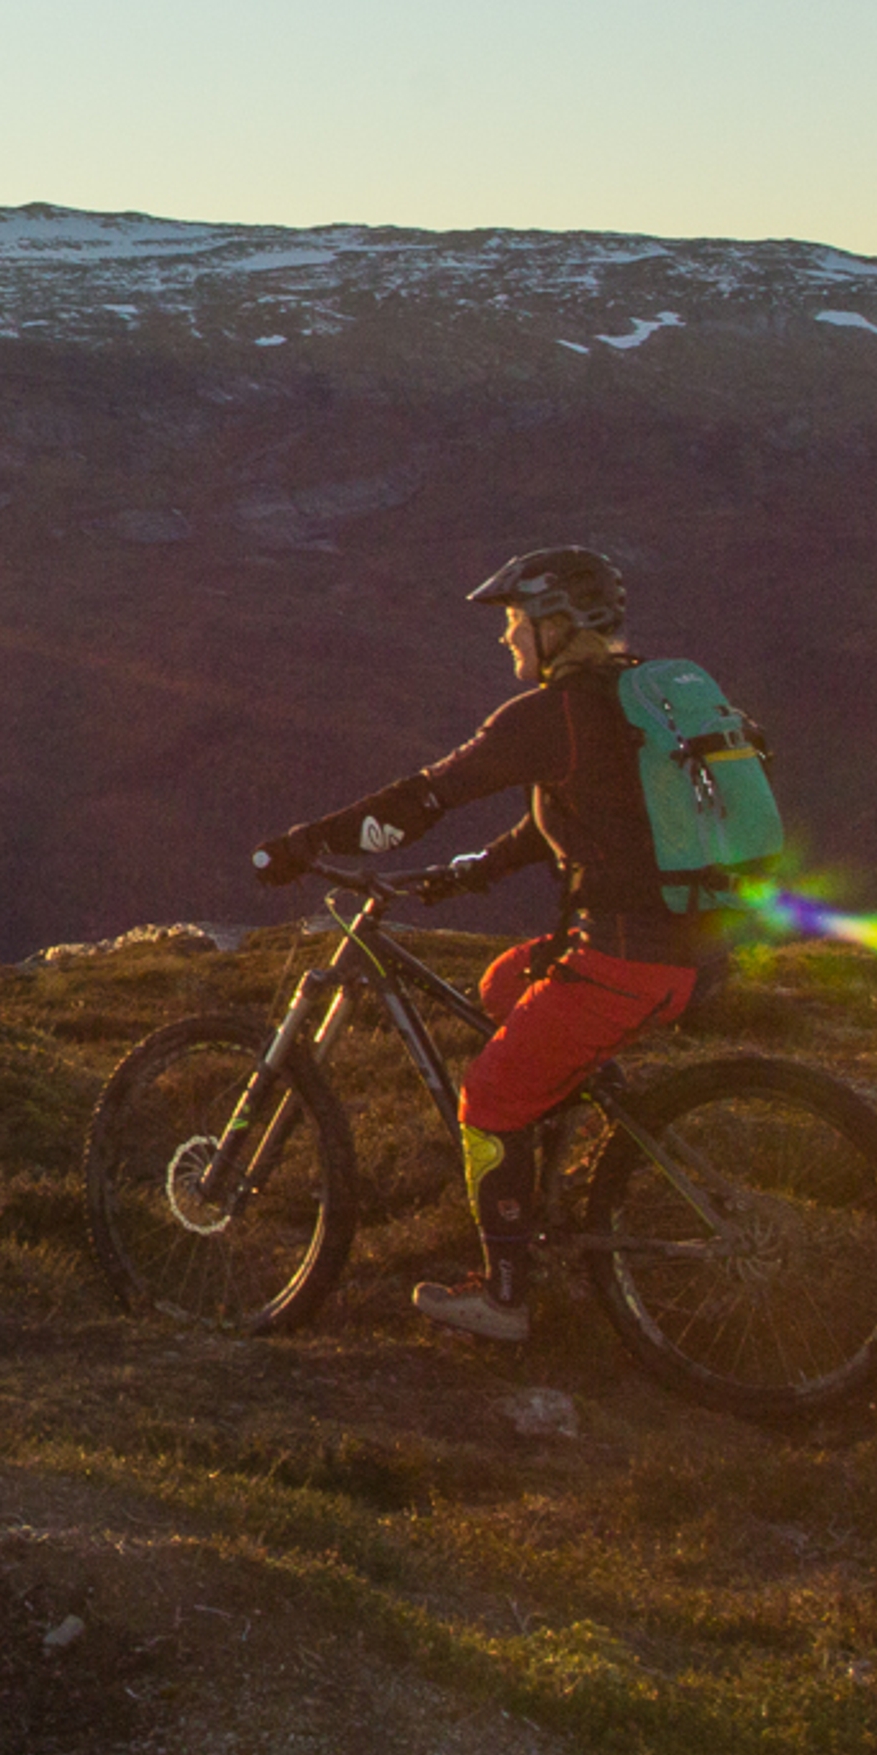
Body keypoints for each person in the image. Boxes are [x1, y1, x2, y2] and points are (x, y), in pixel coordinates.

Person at [247, 546, 712, 1344]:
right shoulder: (627, 703)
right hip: (688, 950)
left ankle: (504, 1298)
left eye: (514, 621)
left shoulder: (549, 717)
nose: (506, 639)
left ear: (557, 626)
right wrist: (465, 876)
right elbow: (565, 824)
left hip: (626, 958)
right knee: (503, 987)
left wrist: (299, 843)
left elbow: (425, 798)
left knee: (488, 1098)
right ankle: (554, 1147)